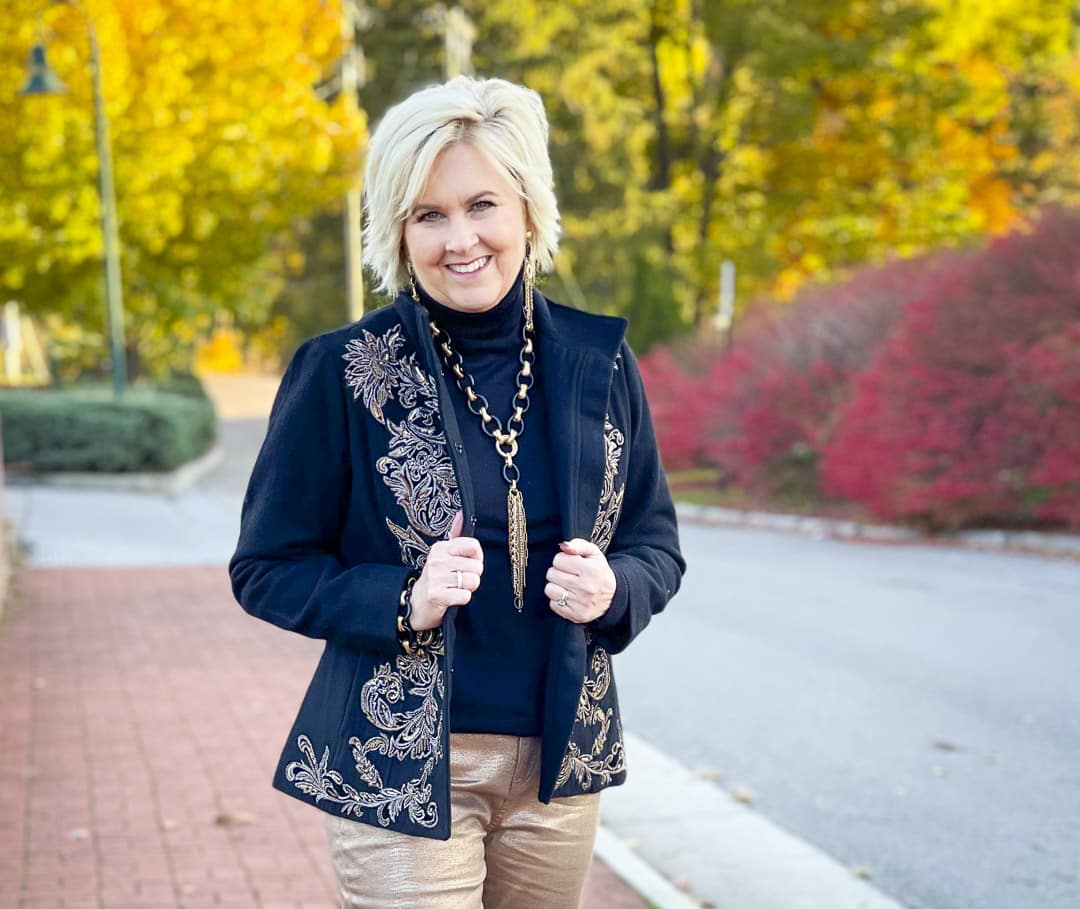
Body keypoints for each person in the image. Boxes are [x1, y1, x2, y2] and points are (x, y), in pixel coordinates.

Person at [229, 75, 684, 909]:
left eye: (482, 205)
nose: (460, 238)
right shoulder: (341, 371)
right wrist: (404, 598)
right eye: (428, 214)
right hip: (397, 761)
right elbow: (264, 565)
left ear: (528, 212)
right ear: (398, 233)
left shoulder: (598, 362)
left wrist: (618, 586)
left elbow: (656, 541)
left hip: (558, 763)